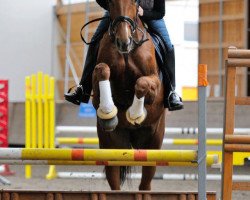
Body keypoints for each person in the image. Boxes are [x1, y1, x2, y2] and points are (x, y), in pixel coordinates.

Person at [64, 0, 183, 111]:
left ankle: (171, 92)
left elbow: (160, 12)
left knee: (168, 45)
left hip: (150, 16)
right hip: (120, 15)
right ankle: (83, 88)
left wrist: (143, 12)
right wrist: (114, 7)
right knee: (95, 40)